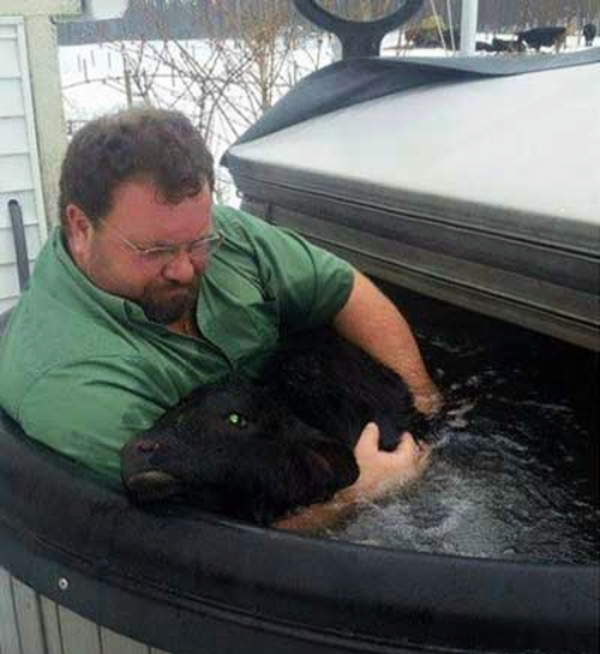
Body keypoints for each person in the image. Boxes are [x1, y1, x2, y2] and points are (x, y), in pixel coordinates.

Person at [0, 108, 440, 531]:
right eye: (155, 251)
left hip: (290, 426)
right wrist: (361, 494)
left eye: (198, 242)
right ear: (80, 227)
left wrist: (424, 413)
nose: (185, 269)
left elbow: (347, 291)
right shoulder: (74, 384)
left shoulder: (208, 232)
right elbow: (203, 539)